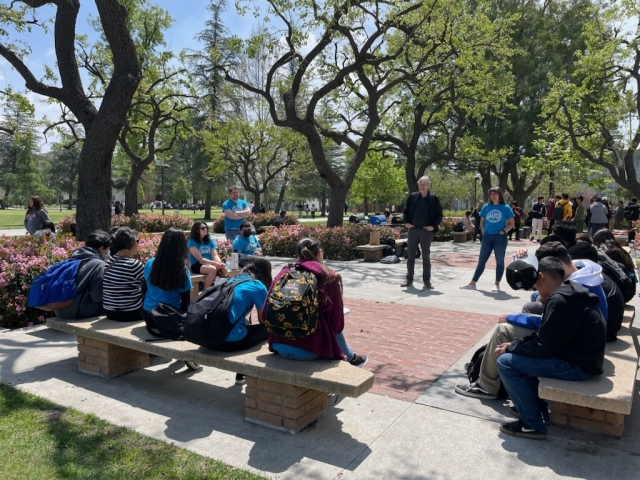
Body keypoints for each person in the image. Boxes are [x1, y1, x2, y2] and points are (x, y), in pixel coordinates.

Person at [455, 241, 609, 401]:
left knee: (506, 344)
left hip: (574, 352)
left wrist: (513, 336)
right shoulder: (581, 272)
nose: (537, 274)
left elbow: (548, 333)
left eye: (540, 270)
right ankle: (493, 382)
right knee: (525, 312)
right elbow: (544, 305)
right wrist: (524, 260)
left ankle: (501, 394)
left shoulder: (575, 289)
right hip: (577, 340)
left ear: (556, 264)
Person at [496, 256, 606, 440]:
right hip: (583, 359)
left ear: (543, 276)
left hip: (578, 367)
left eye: (536, 286)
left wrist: (511, 348)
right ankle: (538, 410)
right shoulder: (568, 292)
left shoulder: (559, 301)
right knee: (518, 356)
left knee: (506, 363)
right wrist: (515, 345)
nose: (536, 291)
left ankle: (532, 424)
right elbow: (546, 336)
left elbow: (543, 346)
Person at [266, 237, 367, 366]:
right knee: (328, 318)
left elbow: (265, 312)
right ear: (319, 253)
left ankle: (350, 355)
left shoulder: (284, 272)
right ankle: (350, 356)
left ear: (298, 254)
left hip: (279, 345)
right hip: (312, 349)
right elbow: (337, 325)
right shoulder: (328, 276)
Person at [215, 257, 273, 384]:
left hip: (212, 338)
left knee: (245, 324)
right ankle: (243, 373)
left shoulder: (232, 280)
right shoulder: (258, 286)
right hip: (230, 342)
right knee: (267, 331)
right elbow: (263, 319)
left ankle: (241, 375)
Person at [460, 187, 514, 293]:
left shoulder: (506, 208)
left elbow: (511, 223)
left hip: (500, 238)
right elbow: (482, 221)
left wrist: (503, 231)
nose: (493, 196)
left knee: (499, 261)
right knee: (481, 261)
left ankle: (496, 284)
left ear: (499, 196)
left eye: (495, 194)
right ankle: (472, 283)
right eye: (491, 194)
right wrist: (483, 231)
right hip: (487, 237)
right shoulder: (486, 207)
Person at [54, 230, 112, 320]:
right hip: (79, 311)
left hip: (60, 310)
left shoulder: (72, 259)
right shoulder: (99, 264)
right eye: (108, 249)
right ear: (101, 248)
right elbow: (97, 297)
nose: (109, 253)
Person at [400, 176, 443, 289]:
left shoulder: (434, 198)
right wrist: (406, 223)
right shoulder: (413, 197)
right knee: (410, 256)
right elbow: (405, 211)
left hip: (426, 232)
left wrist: (433, 226)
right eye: (420, 184)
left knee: (426, 257)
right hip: (413, 230)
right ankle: (409, 279)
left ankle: (427, 281)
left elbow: (439, 214)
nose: (422, 186)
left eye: (424, 184)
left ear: (428, 185)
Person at [141, 228, 193, 319]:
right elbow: (186, 303)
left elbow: (143, 290)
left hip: (147, 313)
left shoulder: (150, 262)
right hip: (169, 317)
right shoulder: (182, 269)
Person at [102, 227, 145, 321]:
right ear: (130, 244)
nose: (138, 244)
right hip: (131, 312)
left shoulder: (108, 262)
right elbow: (150, 283)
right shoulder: (134, 265)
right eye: (137, 241)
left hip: (109, 311)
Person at [188, 221, 227, 289]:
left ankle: (220, 291)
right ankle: (205, 293)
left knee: (224, 269)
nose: (205, 229)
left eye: (206, 227)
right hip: (196, 264)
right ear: (197, 230)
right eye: (202, 228)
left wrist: (220, 263)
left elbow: (215, 255)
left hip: (208, 263)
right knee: (212, 269)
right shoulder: (192, 241)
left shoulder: (210, 240)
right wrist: (214, 263)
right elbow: (200, 259)